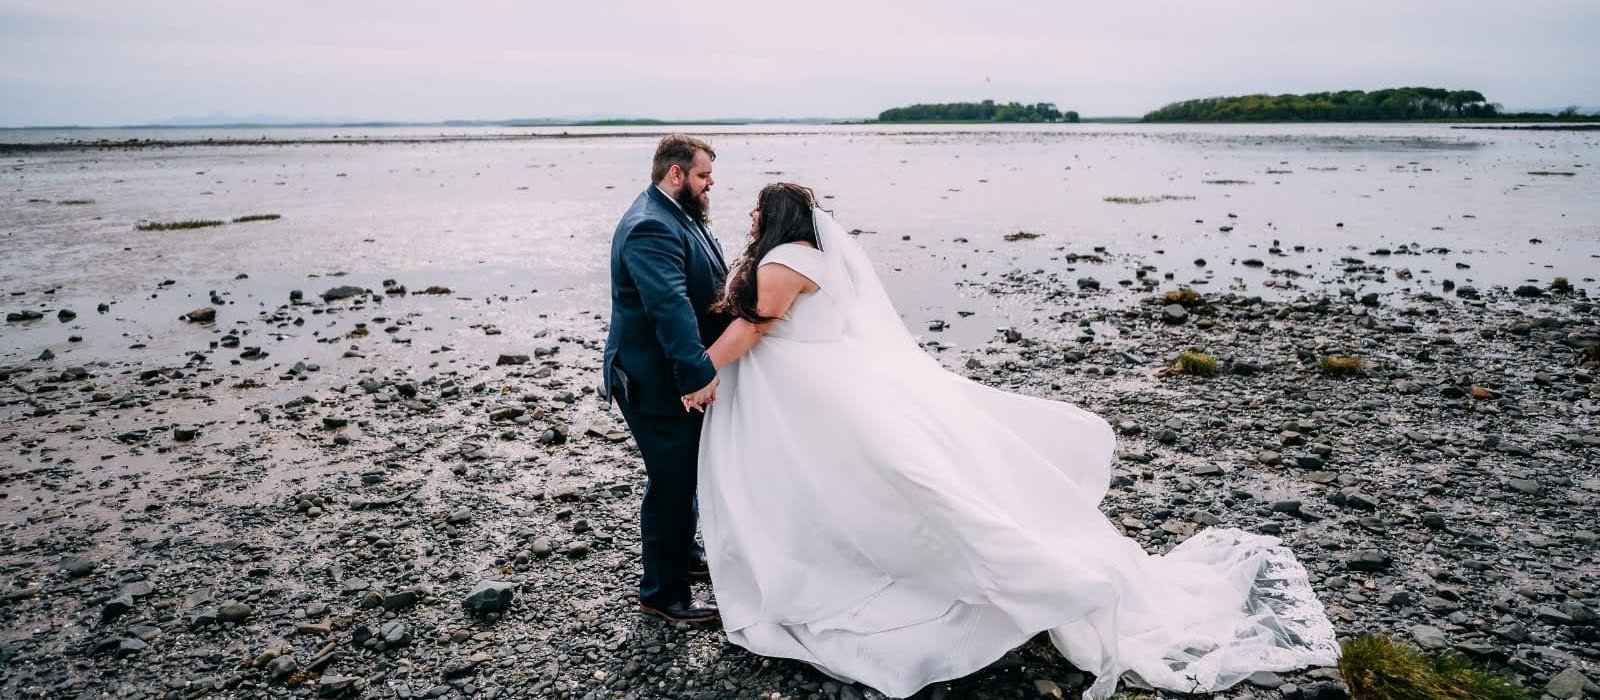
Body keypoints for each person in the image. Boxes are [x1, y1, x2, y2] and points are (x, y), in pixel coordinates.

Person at [690, 183, 1340, 699]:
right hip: (823, 385)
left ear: (772, 216)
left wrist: (697, 373)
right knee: (866, 480)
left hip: (809, 391)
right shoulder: (819, 257)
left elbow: (752, 329)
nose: (747, 216)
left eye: (755, 209)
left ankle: (982, 576)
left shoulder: (781, 262)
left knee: (878, 484)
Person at [602, 134, 729, 624]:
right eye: (702, 177)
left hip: (667, 372)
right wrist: (696, 373)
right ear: (675, 174)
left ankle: (685, 556)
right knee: (671, 482)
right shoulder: (649, 227)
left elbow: (707, 277)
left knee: (687, 473)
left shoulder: (677, 215)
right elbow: (669, 307)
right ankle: (661, 593)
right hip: (654, 380)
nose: (709, 185)